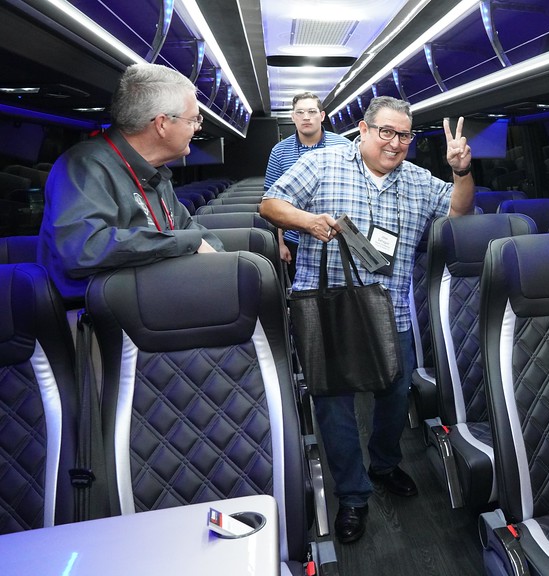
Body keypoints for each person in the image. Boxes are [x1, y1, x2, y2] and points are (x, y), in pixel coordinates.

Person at [260, 95, 474, 544]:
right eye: (386, 132)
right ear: (363, 129)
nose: (395, 143)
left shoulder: (418, 180)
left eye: (404, 135)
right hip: (329, 310)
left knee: (395, 397)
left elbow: (458, 212)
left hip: (392, 311)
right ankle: (353, 495)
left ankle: (384, 464)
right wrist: (306, 221)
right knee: (334, 405)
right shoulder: (322, 163)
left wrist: (461, 172)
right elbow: (270, 205)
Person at [38, 62, 224, 303]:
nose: (197, 128)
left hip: (149, 301)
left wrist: (223, 262)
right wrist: (186, 243)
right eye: (193, 119)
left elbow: (188, 228)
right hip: (96, 312)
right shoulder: (85, 166)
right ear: (162, 124)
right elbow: (84, 249)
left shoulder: (156, 172)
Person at [264, 92, 350, 278]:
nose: (306, 117)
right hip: (295, 240)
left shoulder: (344, 146)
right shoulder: (279, 151)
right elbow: (272, 201)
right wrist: (280, 244)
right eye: (300, 112)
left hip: (337, 238)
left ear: (322, 115)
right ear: (293, 117)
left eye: (312, 111)